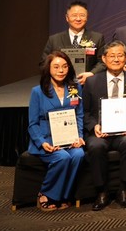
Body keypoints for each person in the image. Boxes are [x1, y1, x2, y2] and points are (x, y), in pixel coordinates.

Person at [83, 40, 126, 210]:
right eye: (112, 56)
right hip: (100, 132)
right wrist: (94, 126)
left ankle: (123, 189)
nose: (116, 59)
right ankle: (101, 191)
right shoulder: (92, 82)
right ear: (104, 58)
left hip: (125, 131)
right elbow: (85, 111)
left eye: (120, 55)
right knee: (95, 146)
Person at [28, 51, 85, 211]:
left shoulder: (75, 88)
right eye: (56, 67)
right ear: (48, 69)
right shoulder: (38, 91)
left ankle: (64, 195)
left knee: (79, 154)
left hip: (69, 138)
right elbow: (32, 123)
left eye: (65, 66)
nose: (61, 70)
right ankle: (46, 193)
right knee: (62, 157)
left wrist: (79, 136)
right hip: (47, 141)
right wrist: (42, 142)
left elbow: (79, 115)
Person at [40, 0, 105, 84]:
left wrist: (91, 73)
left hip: (88, 84)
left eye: (82, 15)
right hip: (61, 85)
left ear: (87, 17)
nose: (78, 19)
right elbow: (44, 63)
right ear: (67, 18)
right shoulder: (54, 39)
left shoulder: (97, 38)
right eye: (74, 15)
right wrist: (57, 73)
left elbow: (103, 62)